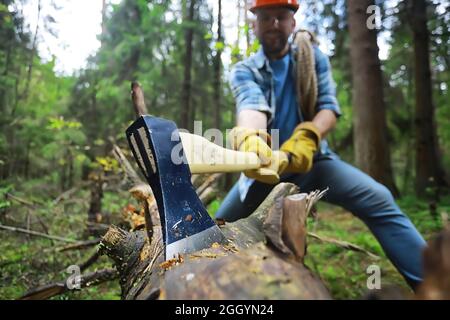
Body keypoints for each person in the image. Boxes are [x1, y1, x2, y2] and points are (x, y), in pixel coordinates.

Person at [216, 0, 426, 290]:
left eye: (281, 17)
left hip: (316, 163)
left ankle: (436, 284)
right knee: (217, 228)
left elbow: (328, 108)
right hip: (265, 171)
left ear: (292, 22)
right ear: (255, 24)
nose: (274, 24)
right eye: (266, 18)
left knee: (379, 198)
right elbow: (251, 107)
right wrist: (252, 140)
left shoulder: (314, 59)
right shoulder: (244, 70)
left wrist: (308, 136)